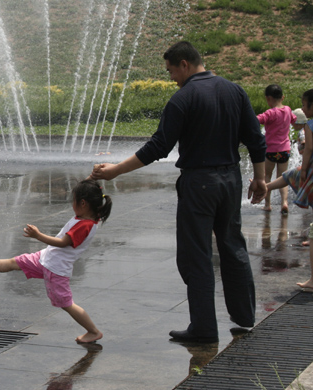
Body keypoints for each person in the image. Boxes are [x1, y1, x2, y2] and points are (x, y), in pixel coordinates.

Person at [91, 41, 267, 343]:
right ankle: (245, 316)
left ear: (184, 63)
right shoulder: (234, 90)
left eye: (171, 70)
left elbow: (159, 147)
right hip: (231, 179)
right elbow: (255, 138)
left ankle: (204, 328)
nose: (172, 77)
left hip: (199, 183)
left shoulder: (183, 99)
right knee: (233, 245)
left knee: (195, 254)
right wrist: (260, 179)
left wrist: (115, 170)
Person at [0, 179, 112, 344]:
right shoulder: (87, 216)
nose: (71, 204)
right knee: (13, 262)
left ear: (83, 203)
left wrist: (38, 235)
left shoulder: (85, 225)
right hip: (46, 258)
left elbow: (62, 243)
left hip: (56, 269)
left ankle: (93, 331)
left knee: (67, 304)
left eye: (73, 201)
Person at [265, 90, 313, 286]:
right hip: (288, 158)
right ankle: (265, 187)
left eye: (304, 104)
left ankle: (312, 282)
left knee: (291, 174)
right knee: (288, 174)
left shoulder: (310, 125)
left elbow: (308, 149)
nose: (302, 107)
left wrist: (305, 171)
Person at [257, 84, 297, 213]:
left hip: (271, 151)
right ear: (283, 97)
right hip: (285, 150)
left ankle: (267, 204)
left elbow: (257, 120)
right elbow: (295, 120)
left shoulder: (270, 113)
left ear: (268, 98)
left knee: (266, 176)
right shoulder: (288, 110)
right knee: (282, 177)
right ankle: (284, 202)